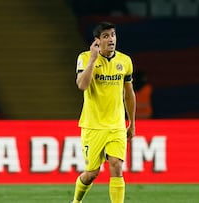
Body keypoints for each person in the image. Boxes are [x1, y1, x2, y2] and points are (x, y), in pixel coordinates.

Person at [71, 21, 136, 203]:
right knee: (92, 173)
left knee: (116, 165)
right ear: (97, 41)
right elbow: (82, 85)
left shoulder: (125, 61)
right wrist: (92, 59)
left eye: (113, 35)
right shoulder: (85, 58)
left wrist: (132, 122)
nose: (111, 39)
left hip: (116, 125)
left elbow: (129, 94)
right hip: (93, 125)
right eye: (106, 36)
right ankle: (76, 201)